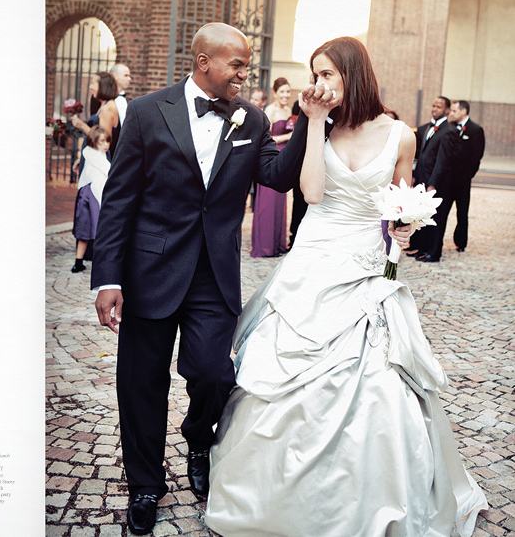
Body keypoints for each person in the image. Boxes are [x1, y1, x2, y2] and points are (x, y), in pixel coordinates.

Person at [206, 36, 487, 536]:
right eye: (315, 74)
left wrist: (404, 225)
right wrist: (312, 124)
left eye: (327, 74)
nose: (318, 84)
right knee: (284, 375)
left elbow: (399, 201)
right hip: (315, 257)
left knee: (378, 381)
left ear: (353, 74)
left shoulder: (401, 135)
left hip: (366, 265)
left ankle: (370, 494)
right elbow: (312, 192)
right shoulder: (321, 125)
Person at [91, 22, 313, 535]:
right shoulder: (148, 112)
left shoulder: (252, 118)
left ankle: (198, 438)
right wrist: (108, 278)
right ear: (203, 61)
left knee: (214, 373)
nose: (245, 73)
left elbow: (277, 177)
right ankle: (145, 484)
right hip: (149, 272)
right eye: (237, 64)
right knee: (140, 384)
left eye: (247, 64)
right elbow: (120, 199)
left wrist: (308, 120)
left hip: (214, 275)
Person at [408, 96, 463, 263]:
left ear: (446, 110)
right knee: (423, 216)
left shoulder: (449, 131)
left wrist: (433, 184)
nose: (435, 109)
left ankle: (434, 253)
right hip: (422, 179)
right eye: (433, 105)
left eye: (439, 107)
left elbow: (442, 161)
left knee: (436, 219)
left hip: (436, 183)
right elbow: (423, 156)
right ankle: (423, 249)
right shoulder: (429, 128)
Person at [250, 78, 295, 257]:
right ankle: (265, 245)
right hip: (271, 157)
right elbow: (267, 138)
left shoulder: (288, 110)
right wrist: (290, 136)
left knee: (279, 201)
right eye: (282, 92)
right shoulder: (270, 110)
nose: (285, 95)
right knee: (268, 201)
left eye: (288, 92)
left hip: (284, 158)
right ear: (275, 93)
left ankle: (276, 244)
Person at [71, 127, 112, 273]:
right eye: (102, 141)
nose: (106, 144)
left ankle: (79, 261)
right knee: (96, 230)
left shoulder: (92, 154)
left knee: (87, 229)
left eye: (107, 141)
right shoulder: (93, 154)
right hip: (93, 194)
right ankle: (92, 263)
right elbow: (110, 171)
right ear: (94, 141)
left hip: (87, 194)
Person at [447, 100, 485, 252]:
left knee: (462, 213)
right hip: (448, 178)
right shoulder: (449, 127)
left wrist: (468, 175)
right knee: (441, 211)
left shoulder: (476, 130)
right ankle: (435, 242)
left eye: (454, 110)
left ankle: (460, 243)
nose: (451, 113)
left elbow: (477, 156)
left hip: (463, 180)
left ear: (463, 111)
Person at [71, 72, 119, 159]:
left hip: (99, 160)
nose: (90, 87)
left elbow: (103, 140)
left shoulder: (107, 108)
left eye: (93, 83)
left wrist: (82, 125)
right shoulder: (103, 105)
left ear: (103, 86)